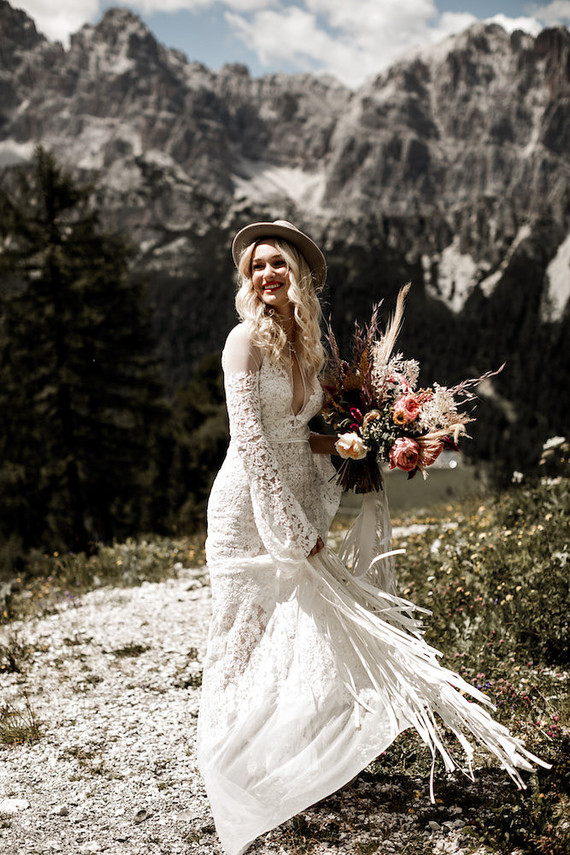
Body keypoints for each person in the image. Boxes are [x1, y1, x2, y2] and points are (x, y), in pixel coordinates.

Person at [196, 220, 546, 855]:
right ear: (247, 281)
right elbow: (251, 443)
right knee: (242, 631)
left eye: (277, 263)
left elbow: (301, 435)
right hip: (250, 505)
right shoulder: (242, 342)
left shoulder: (307, 347)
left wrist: (346, 443)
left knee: (296, 628)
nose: (266, 275)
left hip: (297, 493)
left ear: (298, 273)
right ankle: (226, 772)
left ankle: (279, 755)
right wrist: (290, 527)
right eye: (255, 268)